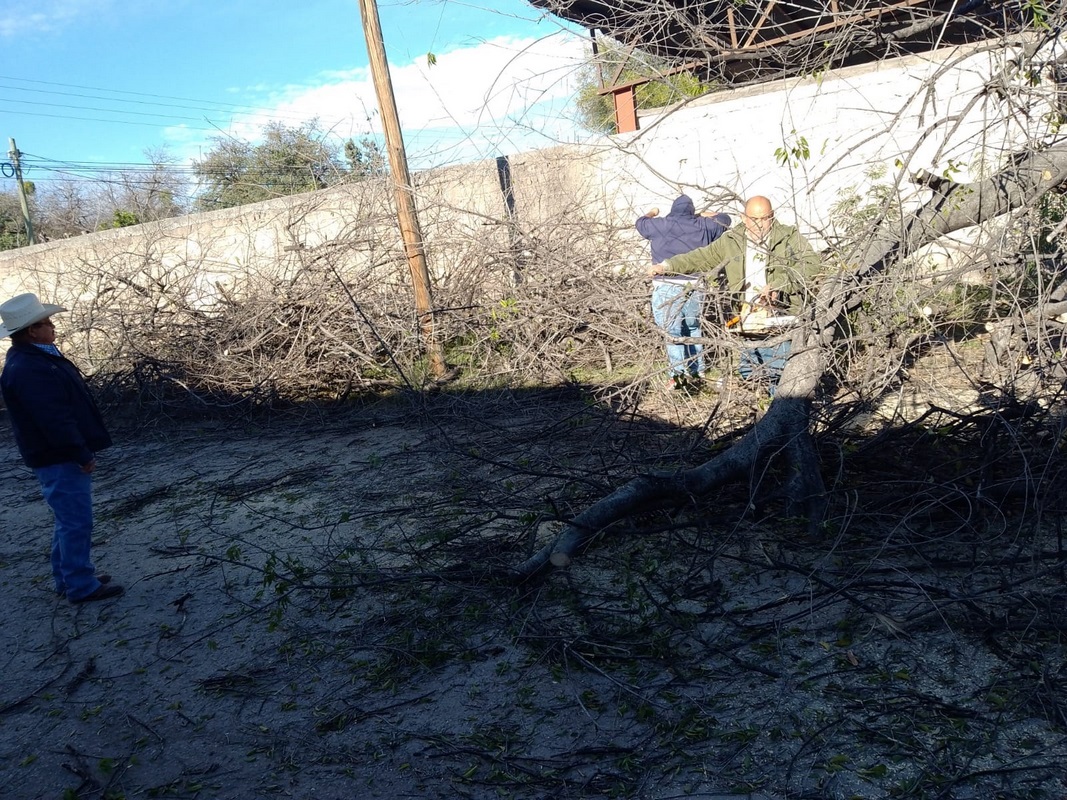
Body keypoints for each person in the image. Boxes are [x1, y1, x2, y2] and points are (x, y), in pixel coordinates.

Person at [0, 293, 123, 603]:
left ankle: (68, 577)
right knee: (76, 520)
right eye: (47, 323)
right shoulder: (30, 367)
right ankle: (81, 585)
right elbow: (53, 418)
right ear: (32, 331)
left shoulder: (35, 359)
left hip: (53, 454)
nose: (53, 327)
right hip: (58, 456)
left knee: (68, 518)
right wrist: (79, 452)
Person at [656, 195, 820, 392]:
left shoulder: (788, 237)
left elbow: (811, 265)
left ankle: (784, 416)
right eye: (753, 219)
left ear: (772, 216)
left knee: (779, 377)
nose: (759, 225)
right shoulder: (732, 240)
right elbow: (701, 257)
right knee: (749, 374)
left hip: (781, 320)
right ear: (743, 218)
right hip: (747, 321)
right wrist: (667, 265)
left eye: (764, 218)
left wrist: (779, 286)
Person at [637, 194, 731, 390]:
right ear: (691, 210)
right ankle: (698, 369)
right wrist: (702, 214)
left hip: (666, 284)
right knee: (694, 326)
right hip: (696, 285)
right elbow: (725, 219)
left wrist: (652, 212)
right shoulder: (703, 225)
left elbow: (640, 223)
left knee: (672, 332)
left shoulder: (660, 224)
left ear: (673, 209)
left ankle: (678, 376)